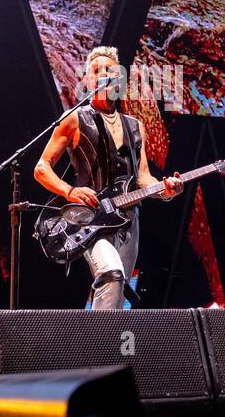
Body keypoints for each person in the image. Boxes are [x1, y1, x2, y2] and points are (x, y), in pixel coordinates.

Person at [34, 47, 182, 309]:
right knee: (111, 275)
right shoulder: (74, 119)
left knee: (116, 291)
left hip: (128, 220)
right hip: (89, 217)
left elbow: (143, 178)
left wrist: (165, 190)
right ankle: (101, 346)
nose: (103, 75)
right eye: (96, 71)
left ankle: (100, 345)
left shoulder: (135, 126)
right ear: (87, 80)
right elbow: (41, 168)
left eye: (109, 70)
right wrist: (70, 191)